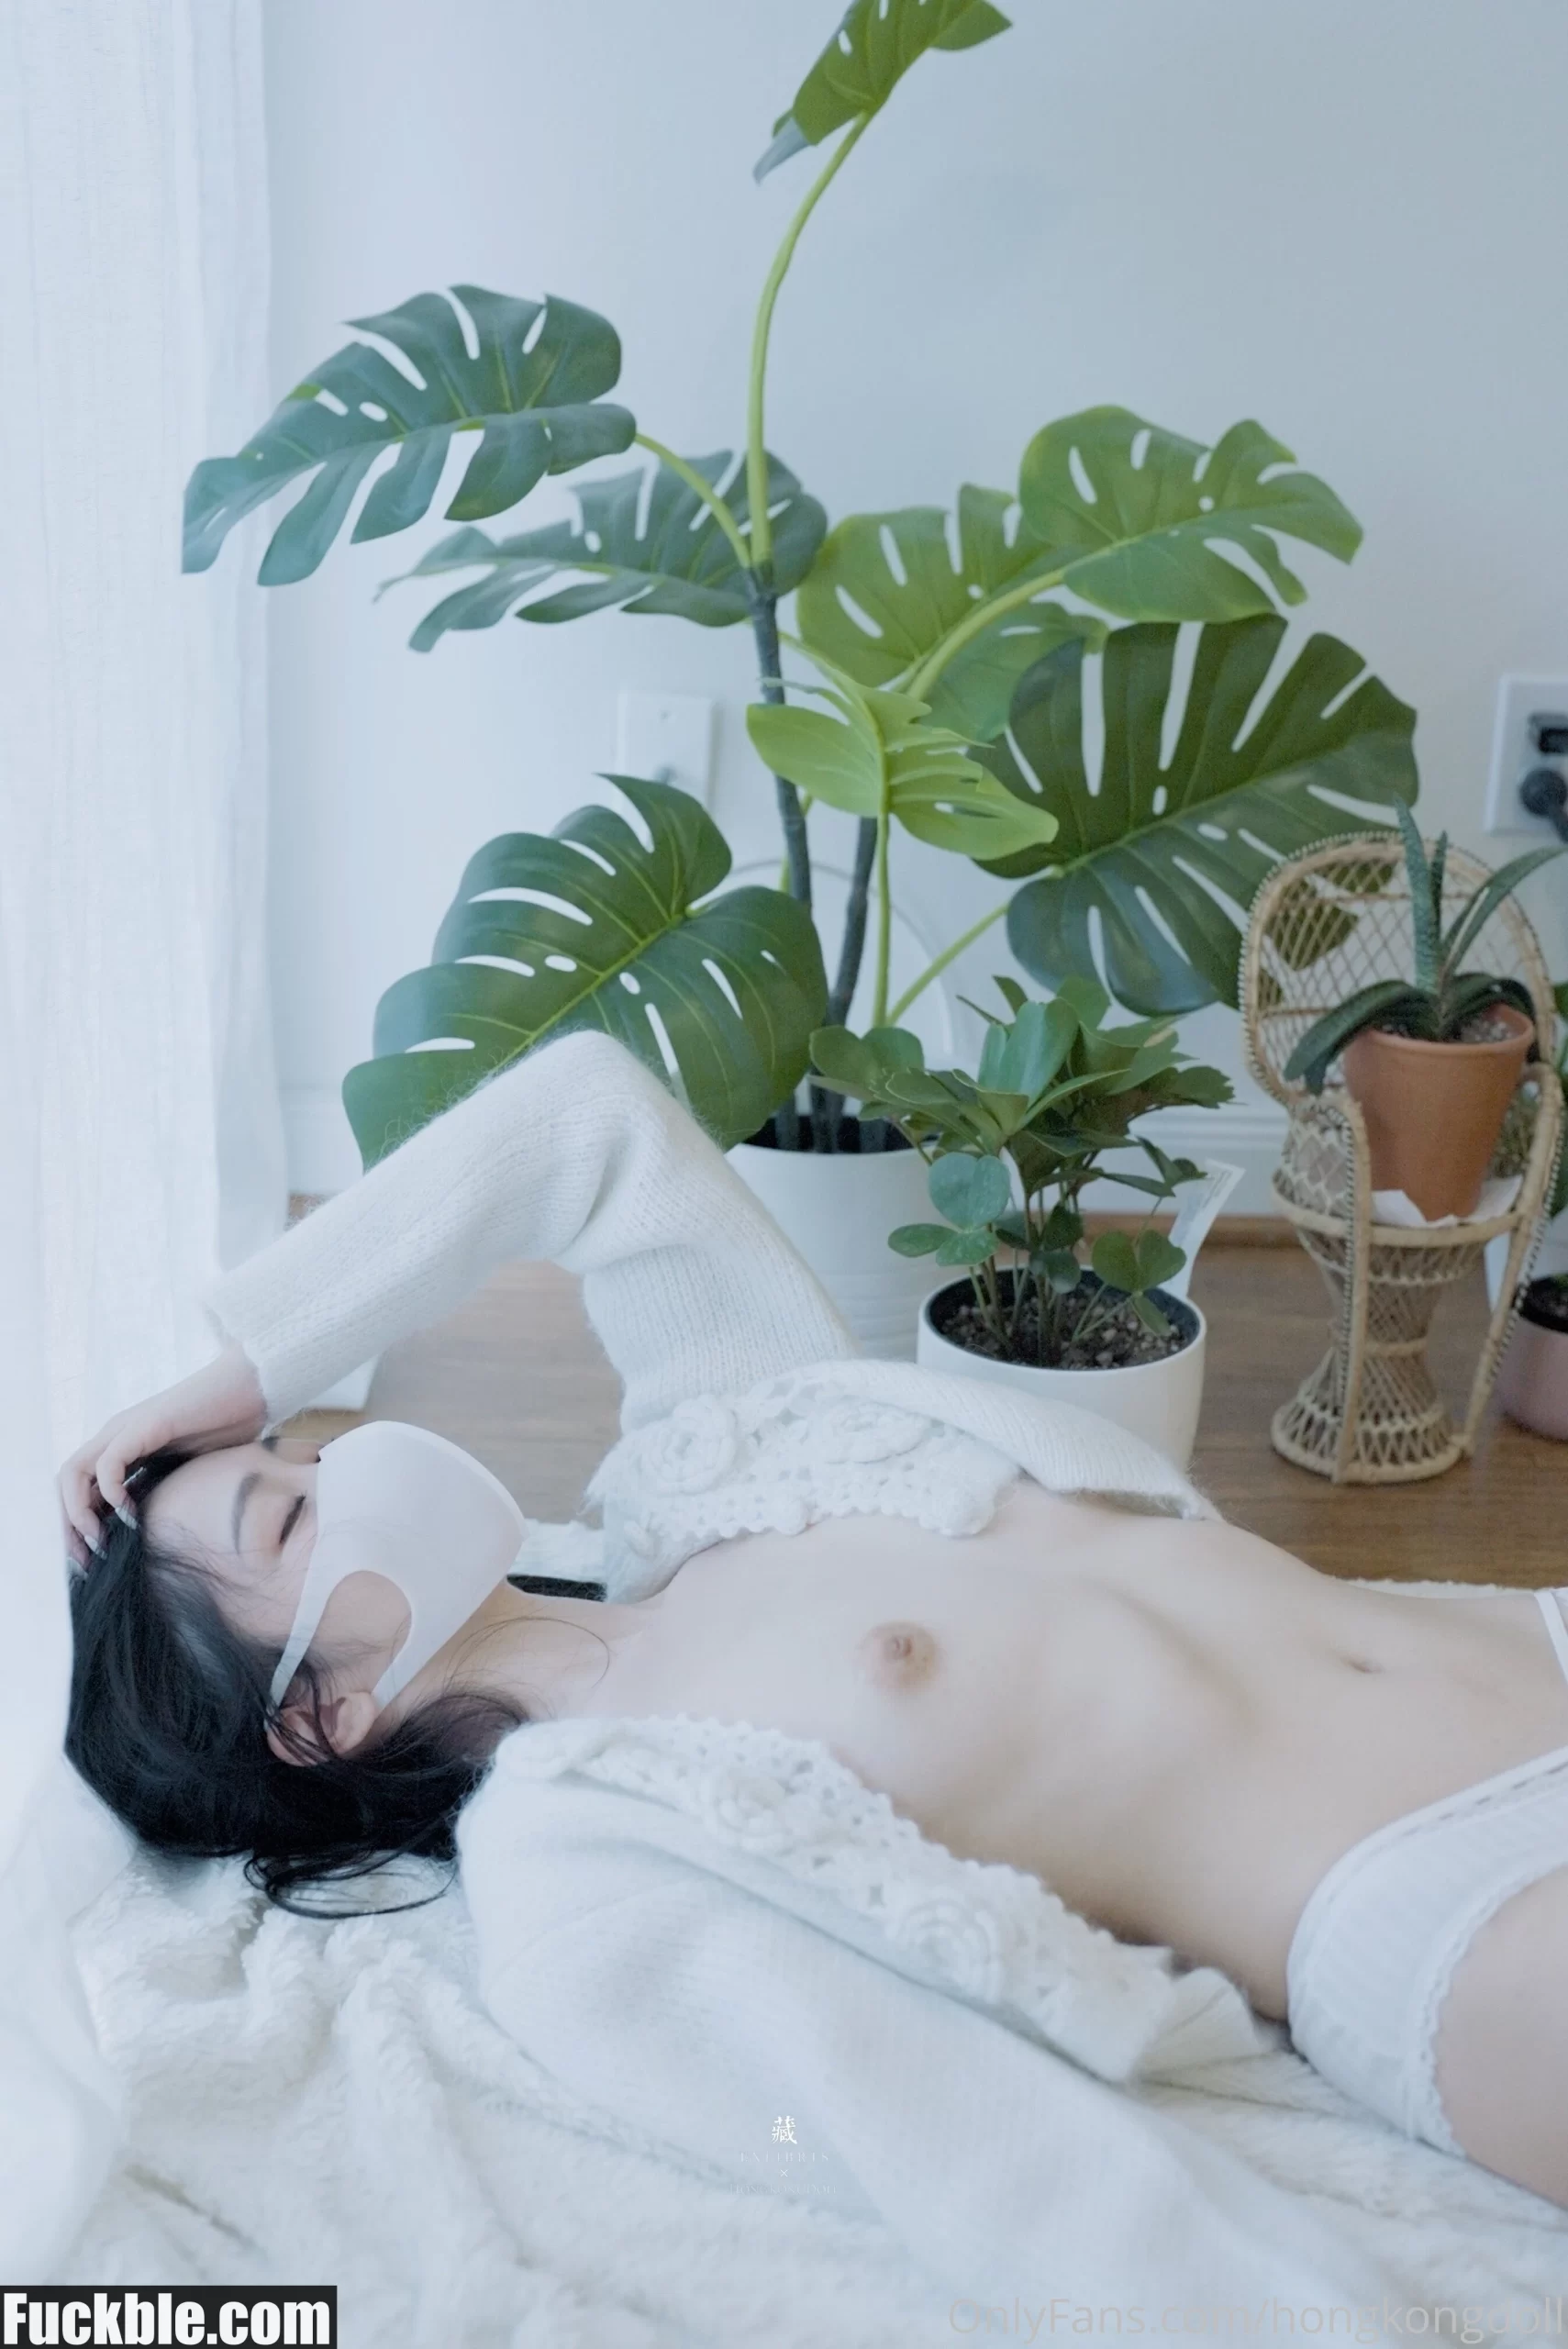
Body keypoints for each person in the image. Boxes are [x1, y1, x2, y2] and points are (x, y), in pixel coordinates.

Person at [57, 1029, 1568, 2218]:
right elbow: (939, 2154)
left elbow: (590, 1118)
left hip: (1527, 1648)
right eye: (288, 1516)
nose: (344, 1466)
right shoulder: (579, 1838)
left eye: (301, 1453)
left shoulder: (720, 1462)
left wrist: (253, 1362)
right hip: (1446, 1901)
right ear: (320, 1715)